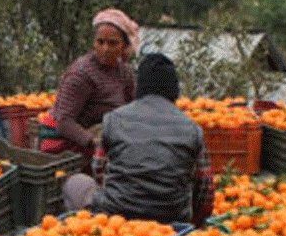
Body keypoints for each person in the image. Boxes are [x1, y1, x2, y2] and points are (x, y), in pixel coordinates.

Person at [62, 53, 214, 226]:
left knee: (74, 183)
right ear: (174, 90)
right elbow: (205, 187)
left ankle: (87, 232)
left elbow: (98, 169)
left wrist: (126, 190)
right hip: (172, 217)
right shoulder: (192, 128)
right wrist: (196, 221)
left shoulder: (114, 119)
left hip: (118, 214)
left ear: (140, 87)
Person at [37, 8, 139, 163]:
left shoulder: (125, 73)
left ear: (124, 45)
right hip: (68, 146)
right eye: (100, 42)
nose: (105, 49)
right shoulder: (82, 74)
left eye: (113, 43)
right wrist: (95, 143)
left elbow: (133, 109)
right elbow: (64, 122)